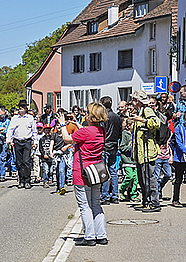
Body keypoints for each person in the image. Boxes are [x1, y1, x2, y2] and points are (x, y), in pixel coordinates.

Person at [58, 103, 108, 246]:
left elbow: (68, 139)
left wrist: (62, 125)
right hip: (96, 171)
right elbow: (87, 133)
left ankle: (90, 236)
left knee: (84, 205)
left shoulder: (86, 132)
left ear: (91, 116)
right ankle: (101, 235)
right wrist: (77, 123)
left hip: (82, 171)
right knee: (96, 204)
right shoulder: (101, 130)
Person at [129, 89, 161, 212]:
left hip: (148, 151)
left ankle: (154, 203)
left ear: (137, 101)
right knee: (143, 179)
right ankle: (146, 201)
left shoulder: (147, 110)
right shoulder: (140, 111)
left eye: (133, 100)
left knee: (149, 177)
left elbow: (156, 123)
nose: (131, 102)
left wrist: (141, 120)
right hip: (141, 153)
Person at [6, 99, 38, 189]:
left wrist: (35, 142)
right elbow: (10, 130)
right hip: (17, 141)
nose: (21, 109)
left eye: (22, 107)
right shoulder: (15, 118)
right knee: (19, 162)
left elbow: (34, 131)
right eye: (20, 107)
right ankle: (21, 180)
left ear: (26, 108)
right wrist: (8, 140)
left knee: (26, 161)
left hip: (27, 141)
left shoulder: (30, 118)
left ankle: (27, 180)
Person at [100, 96, 122, 204]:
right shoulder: (117, 117)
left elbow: (101, 132)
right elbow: (120, 132)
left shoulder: (103, 117)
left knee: (104, 172)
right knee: (113, 171)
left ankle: (105, 196)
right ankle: (115, 196)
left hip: (104, 145)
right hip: (114, 144)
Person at [119, 118, 139, 202]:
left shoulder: (136, 134)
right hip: (127, 160)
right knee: (129, 176)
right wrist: (132, 148)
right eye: (133, 125)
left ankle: (133, 194)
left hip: (134, 160)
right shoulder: (125, 134)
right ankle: (122, 190)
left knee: (136, 178)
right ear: (128, 126)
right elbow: (122, 147)